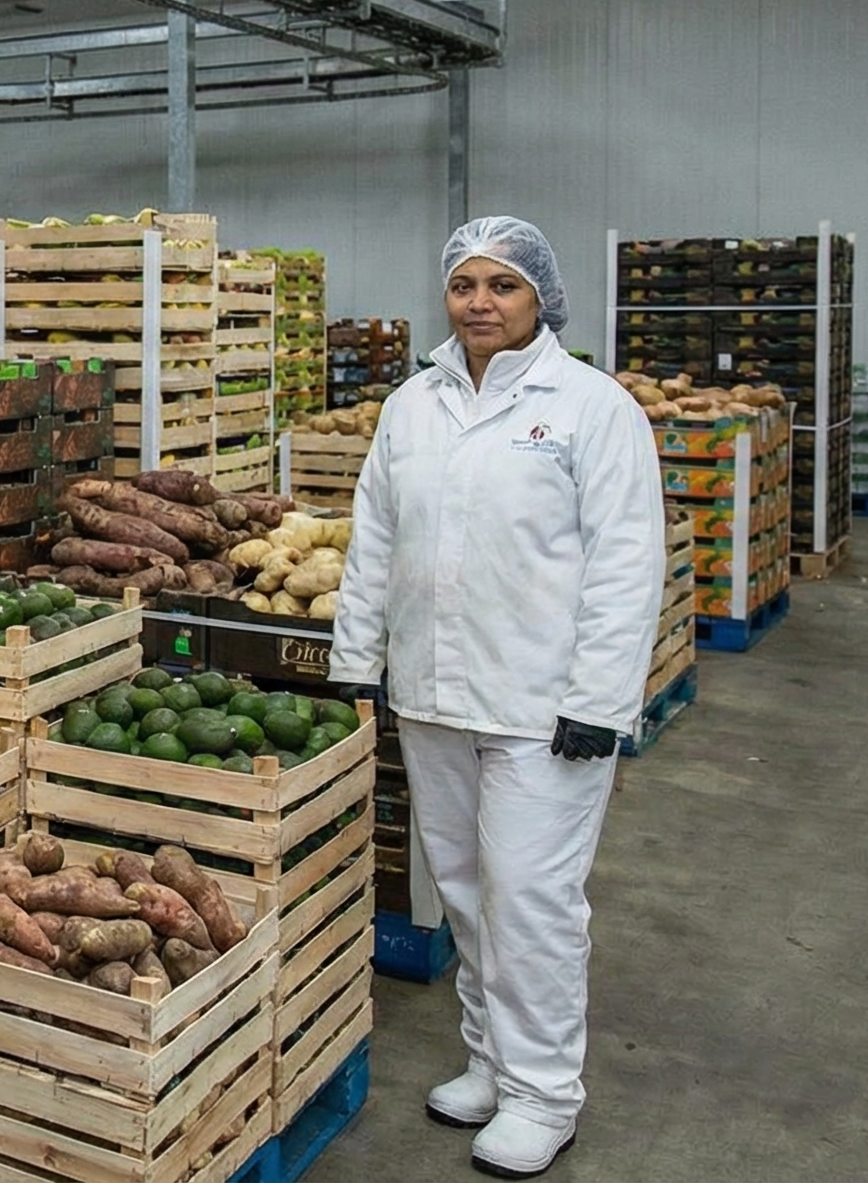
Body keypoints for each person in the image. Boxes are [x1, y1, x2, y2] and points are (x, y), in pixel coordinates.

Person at [326, 216, 663, 1180]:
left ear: (539, 297)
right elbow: (377, 540)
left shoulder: (592, 407)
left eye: (502, 285)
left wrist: (602, 697)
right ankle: (490, 1061)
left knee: (534, 902)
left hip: (541, 706)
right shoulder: (414, 406)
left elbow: (626, 562)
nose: (480, 302)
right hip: (433, 694)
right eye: (464, 284)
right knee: (468, 893)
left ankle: (543, 1095)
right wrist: (360, 653)